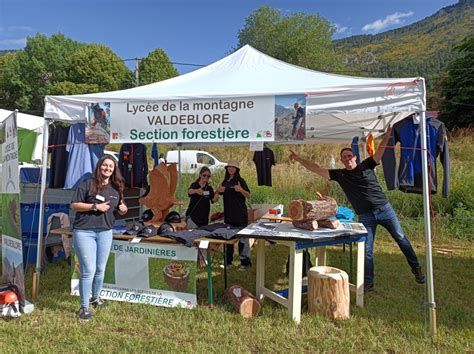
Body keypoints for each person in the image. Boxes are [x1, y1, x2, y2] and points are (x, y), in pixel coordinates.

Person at [289, 126, 425, 292]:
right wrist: (298, 158)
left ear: (354, 157)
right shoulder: (340, 174)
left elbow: (381, 150)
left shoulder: (367, 164)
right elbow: (315, 168)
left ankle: (416, 268)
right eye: (344, 157)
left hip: (384, 210)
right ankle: (368, 282)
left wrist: (388, 134)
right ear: (342, 161)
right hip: (366, 216)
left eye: (349, 156)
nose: (347, 159)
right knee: (367, 250)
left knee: (401, 238)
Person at [70, 155, 128, 321]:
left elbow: (118, 207)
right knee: (88, 270)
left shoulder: (116, 189)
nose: (107, 169)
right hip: (84, 232)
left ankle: (96, 297)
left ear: (114, 169)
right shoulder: (87, 184)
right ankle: (84, 307)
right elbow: (74, 205)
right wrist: (95, 206)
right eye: (105, 165)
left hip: (105, 232)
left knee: (100, 268)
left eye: (111, 166)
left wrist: (122, 209)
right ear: (99, 167)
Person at [216, 159, 252, 271]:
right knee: (228, 239)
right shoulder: (224, 181)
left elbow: (249, 195)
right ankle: (228, 261)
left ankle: (245, 263)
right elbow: (217, 194)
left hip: (240, 215)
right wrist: (218, 190)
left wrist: (241, 190)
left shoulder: (240, 181)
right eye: (229, 167)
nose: (231, 168)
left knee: (243, 240)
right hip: (229, 215)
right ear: (227, 169)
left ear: (236, 169)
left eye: (233, 167)